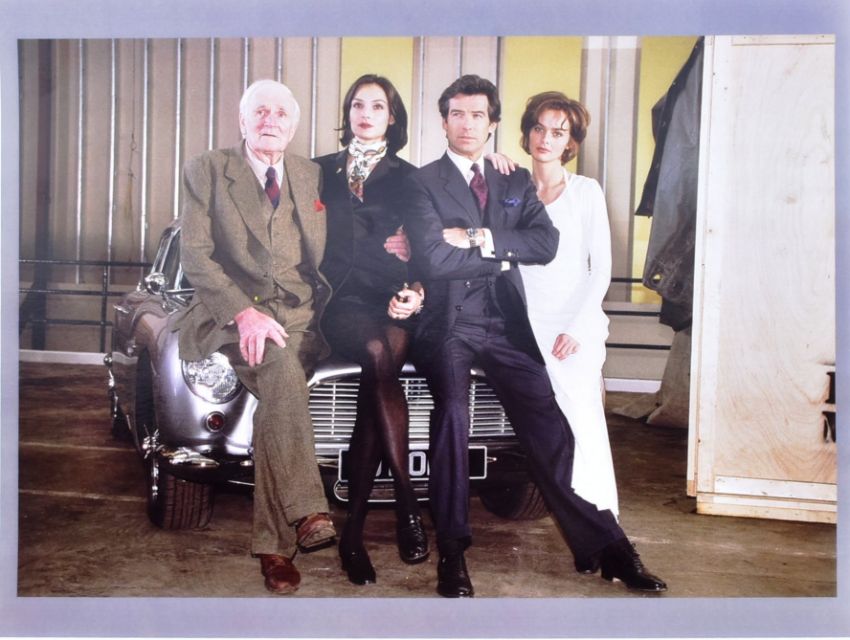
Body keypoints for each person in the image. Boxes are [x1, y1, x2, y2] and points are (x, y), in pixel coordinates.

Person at [393, 74, 666, 597]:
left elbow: (545, 244)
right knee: (453, 416)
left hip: (506, 323)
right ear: (444, 122)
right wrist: (501, 253)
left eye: (478, 115)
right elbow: (433, 258)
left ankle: (609, 547)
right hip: (449, 322)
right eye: (457, 114)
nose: (467, 124)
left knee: (550, 426)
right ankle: (453, 552)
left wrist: (478, 239)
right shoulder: (421, 181)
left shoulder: (512, 179)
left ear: (493, 123)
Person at [174, 79, 336, 595]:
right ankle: (300, 519)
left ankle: (278, 543)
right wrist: (244, 314)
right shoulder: (207, 169)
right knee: (282, 371)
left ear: (294, 125)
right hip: (237, 314)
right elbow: (196, 256)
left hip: (304, 315)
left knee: (278, 403)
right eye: (260, 112)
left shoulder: (311, 174)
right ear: (242, 121)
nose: (271, 121)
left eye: (281, 113)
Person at [312, 74, 428, 585]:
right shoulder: (317, 171)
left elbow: (427, 246)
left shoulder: (411, 178)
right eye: (357, 105)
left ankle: (353, 534)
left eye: (377, 106)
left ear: (392, 116)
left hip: (391, 299)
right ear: (348, 113)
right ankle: (407, 500)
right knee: (380, 356)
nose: (365, 114)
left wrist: (416, 288)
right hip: (338, 301)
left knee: (378, 373)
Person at [517, 91, 619, 517]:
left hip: (572, 325)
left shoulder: (585, 191)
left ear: (570, 142)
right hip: (523, 325)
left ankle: (601, 519)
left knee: (582, 420)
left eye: (557, 133)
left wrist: (577, 328)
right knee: (540, 427)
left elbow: (601, 269)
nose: (546, 139)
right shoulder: (512, 189)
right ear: (527, 133)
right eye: (539, 128)